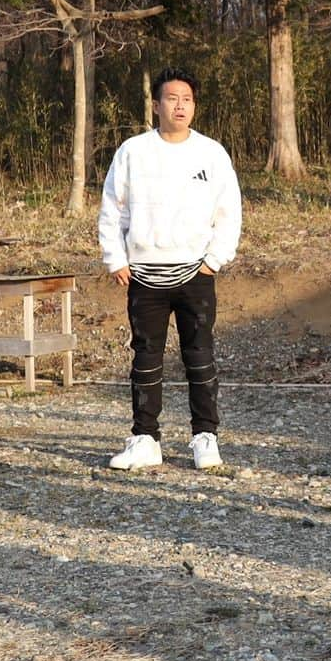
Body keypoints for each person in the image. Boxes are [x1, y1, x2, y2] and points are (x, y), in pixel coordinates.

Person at [98, 67, 242, 471]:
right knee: (145, 358)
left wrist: (214, 261)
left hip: (196, 273)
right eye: (172, 98)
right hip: (144, 274)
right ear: (156, 105)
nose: (180, 106)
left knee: (200, 356)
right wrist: (116, 258)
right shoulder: (133, 151)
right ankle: (145, 439)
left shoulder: (211, 153)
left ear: (194, 106)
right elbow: (113, 207)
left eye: (188, 99)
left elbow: (229, 212)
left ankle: (205, 438)